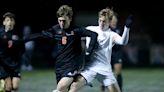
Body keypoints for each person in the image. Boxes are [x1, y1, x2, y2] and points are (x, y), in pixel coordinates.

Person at [68, 8, 133, 92]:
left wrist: (127, 28)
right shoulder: (90, 29)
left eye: (104, 21)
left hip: (105, 70)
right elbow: (75, 35)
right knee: (74, 86)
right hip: (90, 68)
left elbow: (123, 42)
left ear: (109, 22)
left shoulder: (111, 35)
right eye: (100, 20)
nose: (101, 23)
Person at [41, 5, 98, 92]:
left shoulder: (77, 30)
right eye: (60, 20)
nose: (61, 23)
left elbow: (94, 35)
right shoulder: (56, 29)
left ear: (70, 19)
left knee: (59, 89)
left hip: (72, 65)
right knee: (65, 90)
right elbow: (43, 33)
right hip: (59, 66)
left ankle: (80, 78)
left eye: (64, 21)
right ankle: (81, 79)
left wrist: (89, 51)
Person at [0, 12, 25, 92]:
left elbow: (22, 49)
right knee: (8, 87)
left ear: (14, 22)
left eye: (11, 20)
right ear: (4, 22)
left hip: (15, 64)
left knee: (15, 86)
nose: (9, 22)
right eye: (7, 20)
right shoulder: (0, 34)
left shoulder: (18, 35)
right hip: (3, 65)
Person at [100, 11, 124, 92]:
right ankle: (103, 89)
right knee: (104, 72)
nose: (114, 21)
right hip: (107, 53)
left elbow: (122, 40)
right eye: (112, 19)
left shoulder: (119, 29)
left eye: (115, 19)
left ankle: (120, 89)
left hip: (117, 52)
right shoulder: (107, 29)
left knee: (118, 71)